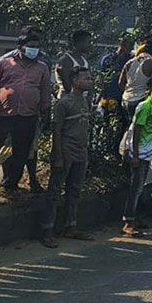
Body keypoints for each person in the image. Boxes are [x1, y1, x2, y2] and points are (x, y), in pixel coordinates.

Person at [0, 31, 51, 195]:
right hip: (3, 114)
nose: (34, 50)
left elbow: (45, 91)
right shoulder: (5, 63)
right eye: (31, 46)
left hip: (28, 115)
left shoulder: (42, 68)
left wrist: (45, 111)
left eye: (37, 47)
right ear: (21, 48)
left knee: (21, 152)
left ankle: (11, 184)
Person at [40, 66, 94, 247]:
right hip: (66, 151)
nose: (89, 81)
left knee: (75, 190)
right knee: (55, 191)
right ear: (75, 81)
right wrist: (58, 156)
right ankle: (47, 230)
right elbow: (56, 130)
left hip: (81, 152)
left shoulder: (85, 101)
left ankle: (71, 226)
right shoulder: (64, 103)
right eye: (86, 78)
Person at [121, 74, 152, 237]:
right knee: (136, 188)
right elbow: (136, 131)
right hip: (139, 152)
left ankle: (136, 218)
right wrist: (134, 154)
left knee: (142, 188)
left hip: (146, 153)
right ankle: (129, 221)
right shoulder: (145, 106)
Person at [55, 30, 91, 97]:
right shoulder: (65, 60)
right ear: (80, 42)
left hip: (81, 100)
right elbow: (66, 84)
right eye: (88, 42)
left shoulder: (85, 61)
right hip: (67, 100)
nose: (90, 45)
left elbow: (90, 82)